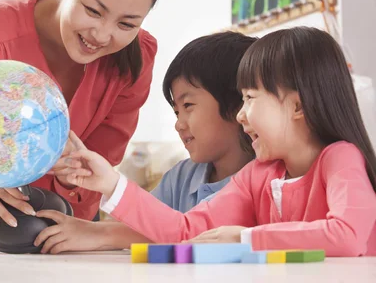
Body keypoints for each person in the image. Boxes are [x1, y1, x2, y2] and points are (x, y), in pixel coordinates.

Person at [49, 27, 376, 257]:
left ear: (297, 106)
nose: (240, 115)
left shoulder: (341, 159)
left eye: (250, 98)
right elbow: (188, 230)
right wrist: (110, 183)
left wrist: (246, 238)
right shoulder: (258, 176)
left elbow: (347, 237)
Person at [0, 0, 164, 242]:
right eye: (93, 10)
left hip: (67, 232)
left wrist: (76, 176)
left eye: (126, 23)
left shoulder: (138, 57)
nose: (102, 35)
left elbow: (102, 164)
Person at [33, 31, 256, 253]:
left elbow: (187, 232)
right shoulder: (182, 176)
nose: (179, 124)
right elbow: (145, 224)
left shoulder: (263, 181)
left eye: (188, 106)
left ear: (238, 104)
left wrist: (99, 228)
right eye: (177, 112)